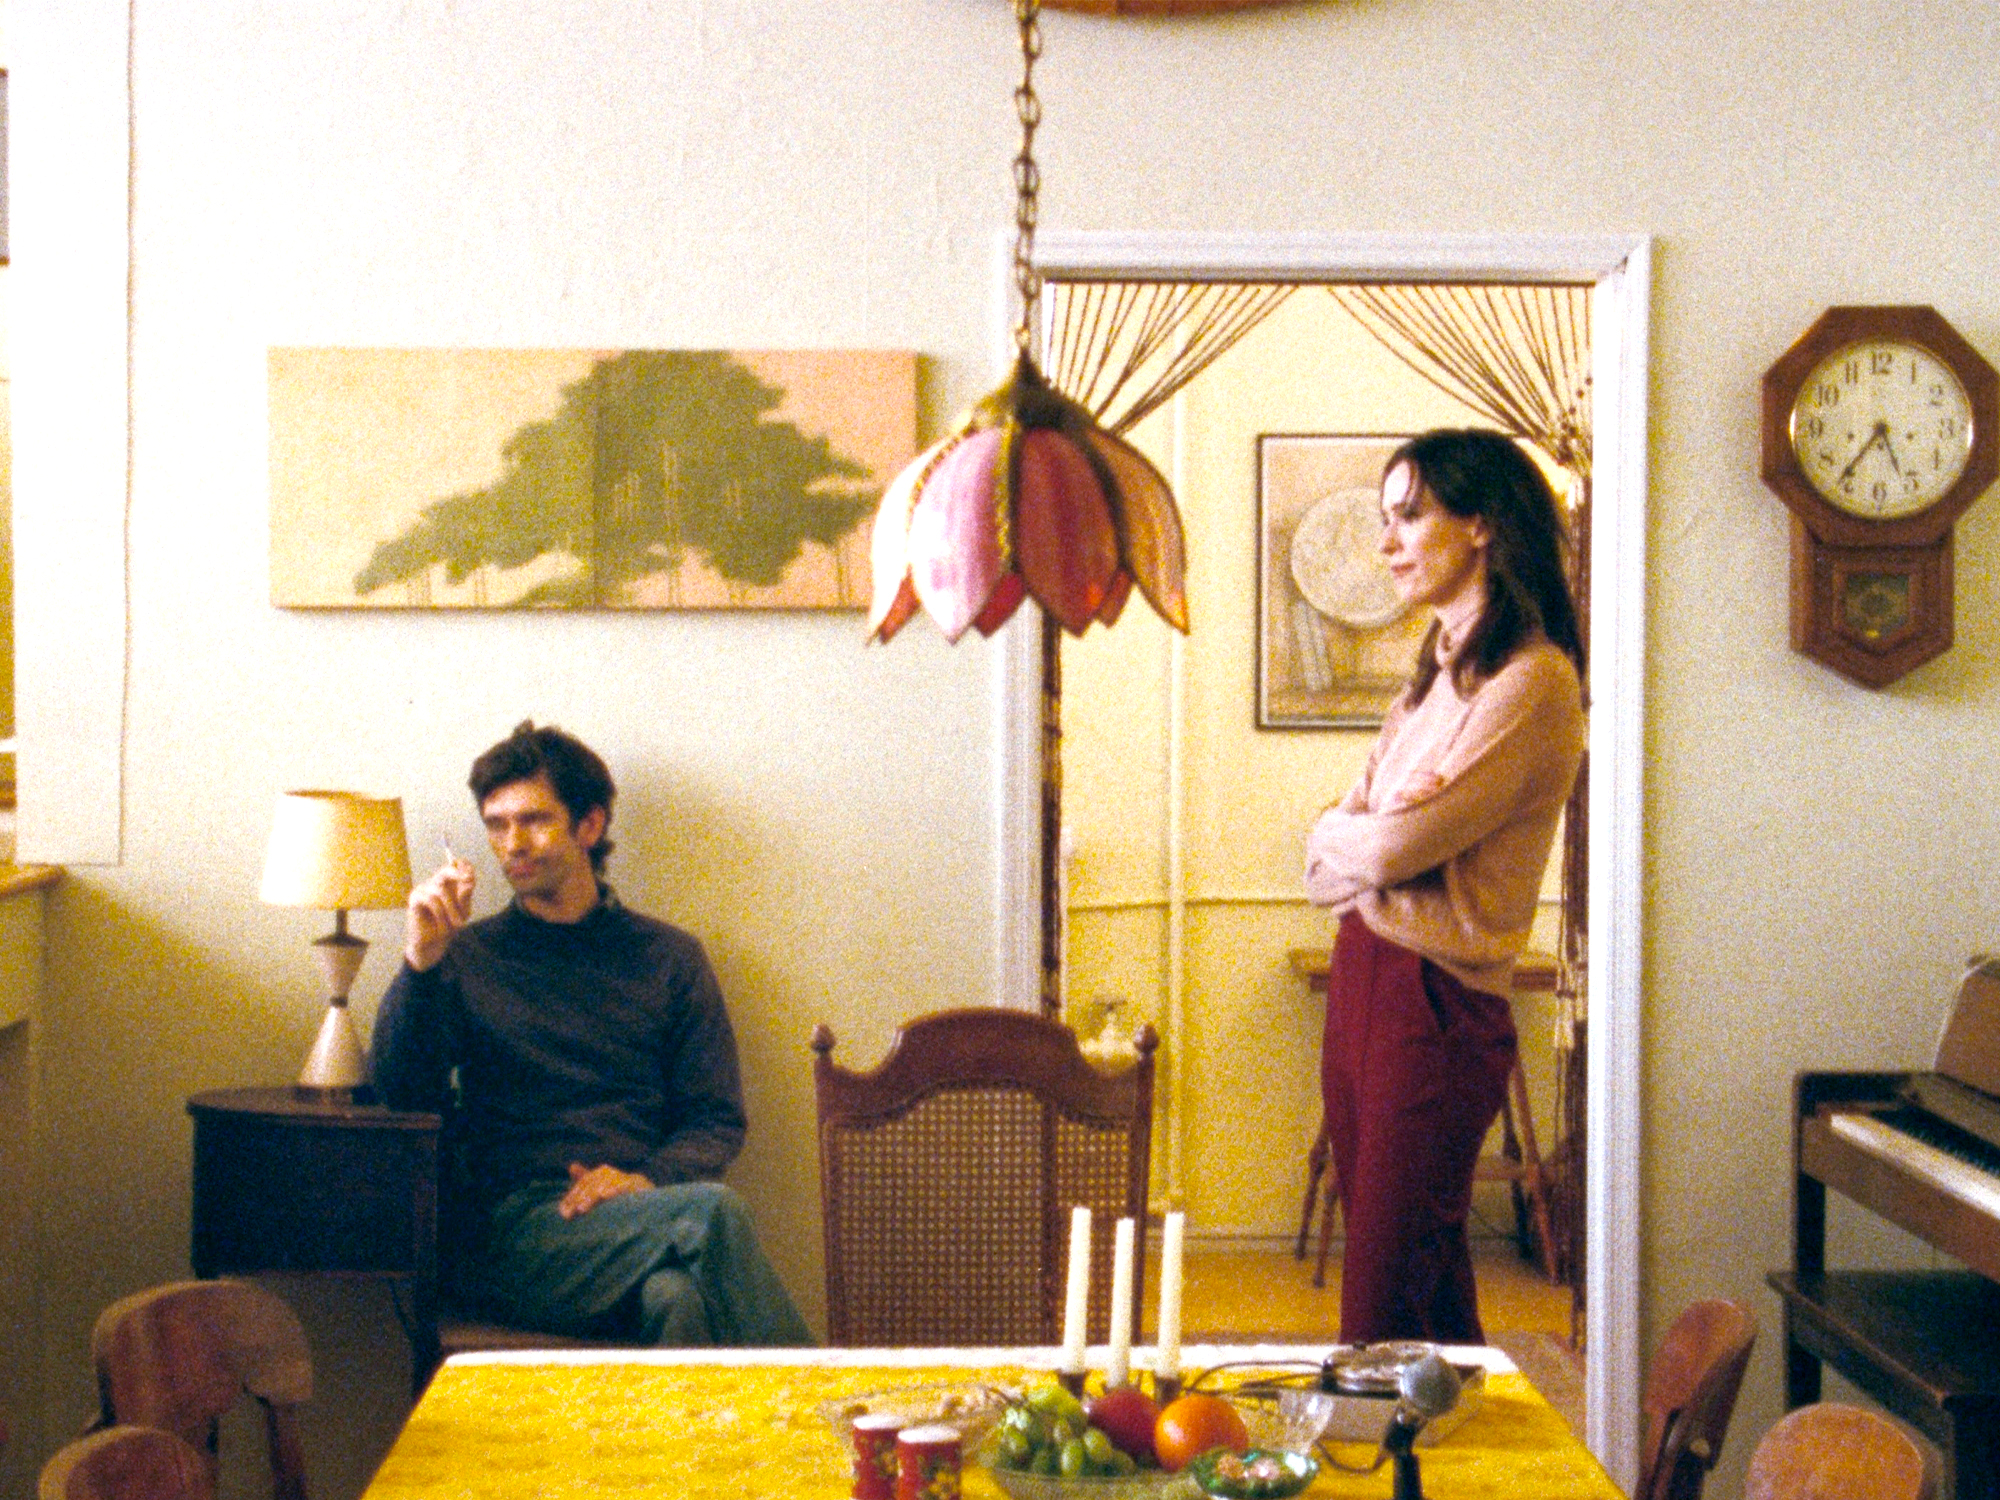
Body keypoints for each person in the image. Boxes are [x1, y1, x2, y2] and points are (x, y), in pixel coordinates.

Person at [370, 720, 812, 1347]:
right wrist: (421, 962)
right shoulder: (465, 956)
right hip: (514, 1234)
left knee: (678, 1299)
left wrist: (646, 1180)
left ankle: (717, 1424)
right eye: (496, 825)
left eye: (534, 821)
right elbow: (400, 1094)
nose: (512, 844)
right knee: (713, 1210)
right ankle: (838, 1400)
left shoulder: (670, 958)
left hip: (640, 1217)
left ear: (590, 825)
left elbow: (715, 1119)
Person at [1303, 429, 1585, 1344]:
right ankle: (1454, 1430)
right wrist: (1365, 837)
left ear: (1481, 525)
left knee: (1385, 1293)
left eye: (1410, 515)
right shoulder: (1429, 685)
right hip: (1365, 975)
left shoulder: (1532, 682)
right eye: (1385, 518)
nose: (1386, 542)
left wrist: (1370, 838)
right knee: (1417, 1281)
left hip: (1435, 999)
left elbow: (1384, 852)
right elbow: (1323, 864)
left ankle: (1381, 1434)